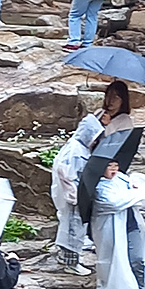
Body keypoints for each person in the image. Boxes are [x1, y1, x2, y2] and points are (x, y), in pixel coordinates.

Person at [90, 161, 145, 289]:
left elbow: (136, 193)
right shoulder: (98, 186)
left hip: (131, 226)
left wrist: (137, 189)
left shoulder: (121, 179)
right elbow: (114, 202)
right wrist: (138, 194)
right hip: (111, 231)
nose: (113, 169)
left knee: (138, 259)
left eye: (116, 165)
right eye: (109, 166)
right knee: (112, 265)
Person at [50, 115, 105, 271]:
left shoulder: (78, 147)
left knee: (71, 225)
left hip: (74, 193)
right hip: (73, 195)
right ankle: (71, 263)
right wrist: (74, 195)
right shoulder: (75, 150)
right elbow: (66, 173)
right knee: (73, 228)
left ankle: (65, 257)